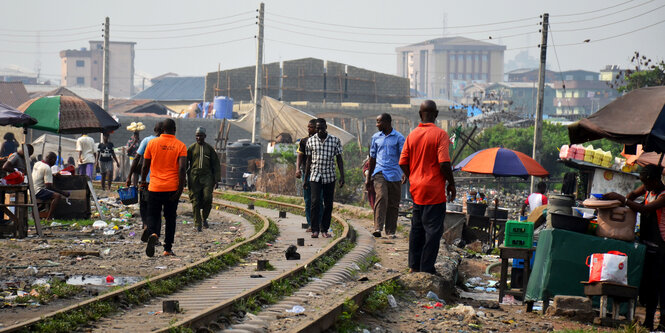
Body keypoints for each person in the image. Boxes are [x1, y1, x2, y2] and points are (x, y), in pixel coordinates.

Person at [604, 165, 665, 330]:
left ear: (654, 180)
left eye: (646, 181)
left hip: (661, 246)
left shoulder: (663, 195)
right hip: (647, 243)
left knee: (658, 285)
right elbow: (632, 195)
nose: (645, 185)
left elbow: (644, 208)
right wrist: (618, 202)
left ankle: (660, 323)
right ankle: (649, 321)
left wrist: (623, 200)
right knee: (648, 284)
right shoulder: (648, 188)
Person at [399, 100, 456, 274]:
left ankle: (413, 266)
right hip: (434, 191)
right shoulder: (441, 135)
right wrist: (451, 183)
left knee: (416, 229)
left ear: (419, 114)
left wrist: (413, 177)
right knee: (432, 231)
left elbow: (402, 162)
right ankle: (426, 268)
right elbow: (444, 163)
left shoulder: (412, 135)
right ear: (436, 114)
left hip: (416, 190)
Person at [140, 119, 186, 257]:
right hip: (172, 188)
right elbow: (182, 168)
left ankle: (153, 233)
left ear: (162, 129)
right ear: (174, 129)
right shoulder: (181, 146)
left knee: (152, 215)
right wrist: (180, 189)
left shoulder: (152, 143)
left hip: (154, 187)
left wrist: (143, 181)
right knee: (170, 218)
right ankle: (167, 248)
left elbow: (144, 165)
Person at [366, 113, 405, 238]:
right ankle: (378, 227)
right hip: (380, 172)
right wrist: (368, 178)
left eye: (379, 122)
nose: (377, 125)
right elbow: (372, 158)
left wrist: (405, 172)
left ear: (387, 122)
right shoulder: (376, 137)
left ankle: (390, 231)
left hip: (395, 174)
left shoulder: (399, 138)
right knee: (381, 197)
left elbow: (404, 157)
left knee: (393, 203)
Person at [304, 118, 344, 239]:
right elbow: (308, 161)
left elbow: (339, 159)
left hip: (329, 176)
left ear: (326, 127)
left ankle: (324, 229)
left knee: (328, 204)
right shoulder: (310, 141)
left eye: (322, 128)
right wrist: (306, 179)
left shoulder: (335, 140)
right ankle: (315, 229)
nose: (320, 130)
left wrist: (342, 176)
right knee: (315, 202)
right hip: (315, 175)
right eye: (317, 128)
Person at [127, 121, 163, 230]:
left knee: (143, 203)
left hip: (145, 180)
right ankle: (155, 229)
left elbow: (136, 158)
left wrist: (129, 176)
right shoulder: (165, 142)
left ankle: (145, 223)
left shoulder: (147, 140)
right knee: (156, 205)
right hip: (159, 181)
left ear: (154, 130)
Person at [187, 127, 221, 232]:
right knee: (195, 201)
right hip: (194, 177)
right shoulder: (192, 148)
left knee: (207, 198)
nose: (199, 138)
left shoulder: (209, 149)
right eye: (197, 136)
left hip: (207, 177)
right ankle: (198, 224)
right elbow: (184, 163)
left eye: (201, 136)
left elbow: (216, 164)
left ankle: (204, 218)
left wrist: (216, 179)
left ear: (204, 136)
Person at [295, 119, 322, 232]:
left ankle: (319, 223)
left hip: (319, 173)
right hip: (307, 174)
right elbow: (300, 156)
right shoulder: (304, 141)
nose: (309, 129)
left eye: (311, 127)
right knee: (308, 199)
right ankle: (310, 223)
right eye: (308, 127)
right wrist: (297, 169)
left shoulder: (322, 141)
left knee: (319, 199)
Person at [32, 152, 70, 220]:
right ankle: (49, 217)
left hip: (32, 189)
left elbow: (42, 174)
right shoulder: (47, 168)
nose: (54, 163)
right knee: (57, 196)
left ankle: (37, 214)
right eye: (54, 161)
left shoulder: (38, 163)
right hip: (38, 190)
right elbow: (49, 186)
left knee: (49, 194)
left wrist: (52, 175)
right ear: (52, 160)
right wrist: (63, 193)